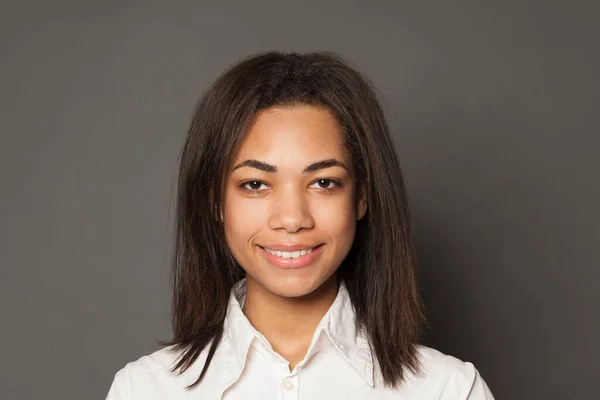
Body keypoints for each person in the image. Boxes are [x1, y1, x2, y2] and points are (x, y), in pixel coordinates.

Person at [106, 51, 494, 399]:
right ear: (215, 201)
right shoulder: (144, 389)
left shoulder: (448, 390)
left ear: (361, 198)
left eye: (324, 182)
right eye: (255, 184)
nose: (292, 219)